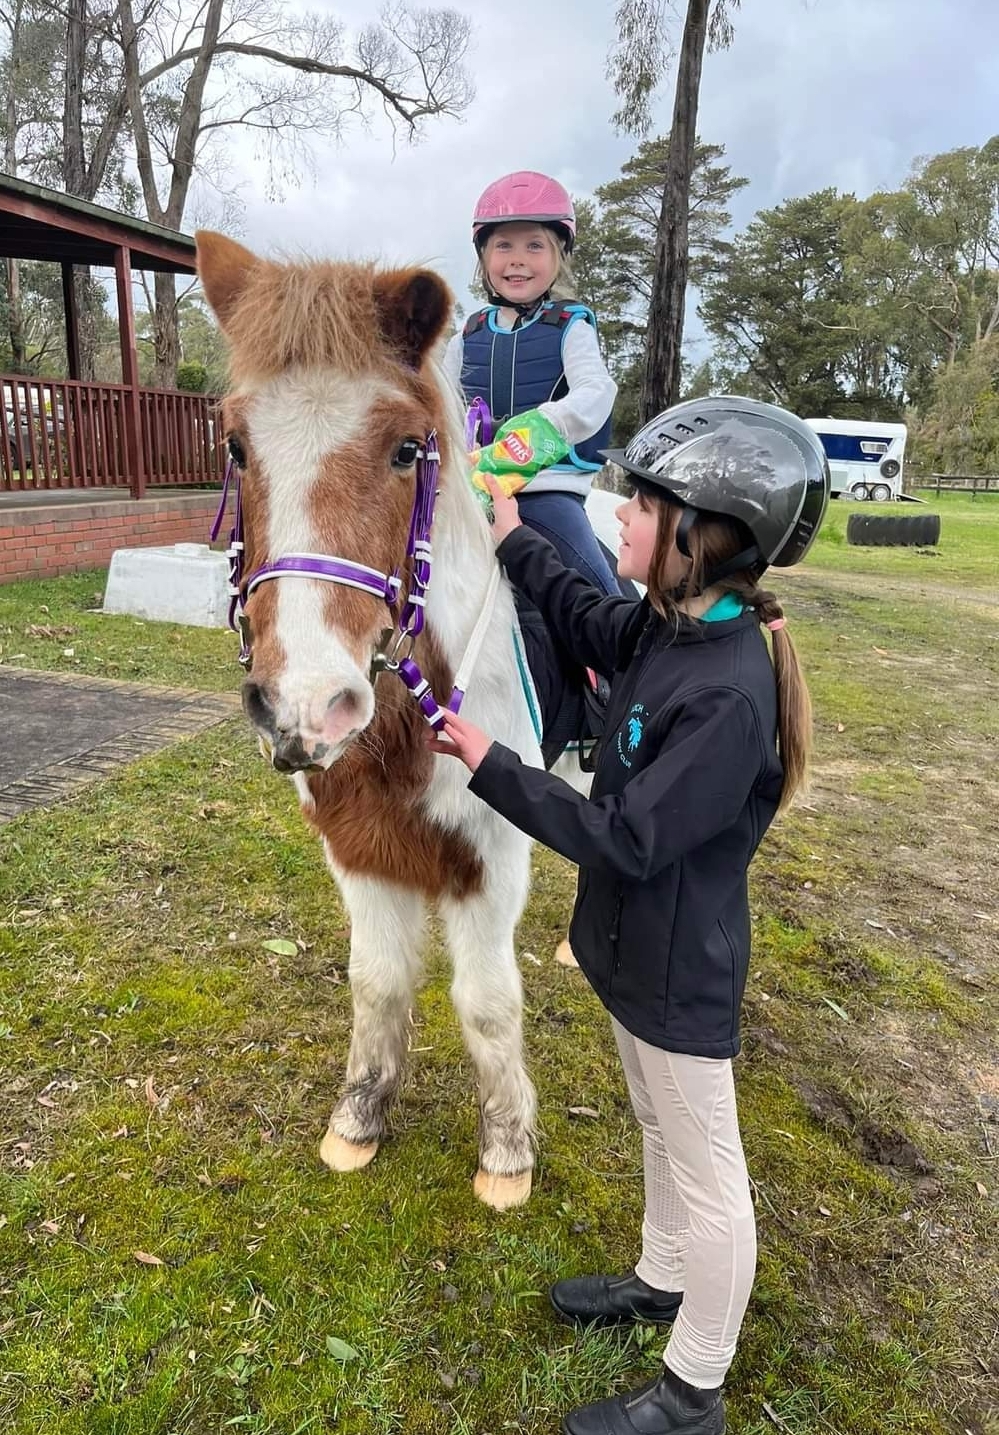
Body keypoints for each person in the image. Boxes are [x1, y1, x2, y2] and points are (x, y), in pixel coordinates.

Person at [428, 396, 831, 1435]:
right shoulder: (671, 627)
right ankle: (658, 1277)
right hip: (628, 953)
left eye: (642, 506)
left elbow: (628, 837)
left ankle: (695, 1388)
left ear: (705, 535)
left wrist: (487, 760)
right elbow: (584, 614)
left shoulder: (731, 693)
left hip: (678, 974)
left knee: (711, 1177)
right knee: (654, 1122)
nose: (619, 521)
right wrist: (514, 532)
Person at [443, 169, 619, 594]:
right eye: (504, 245)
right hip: (471, 490)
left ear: (558, 256)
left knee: (597, 590)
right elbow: (436, 403)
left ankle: (625, 652)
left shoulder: (569, 326)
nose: (518, 259)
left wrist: (546, 425)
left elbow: (597, 391)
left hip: (546, 490)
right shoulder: (468, 335)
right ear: (484, 257)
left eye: (534, 246)